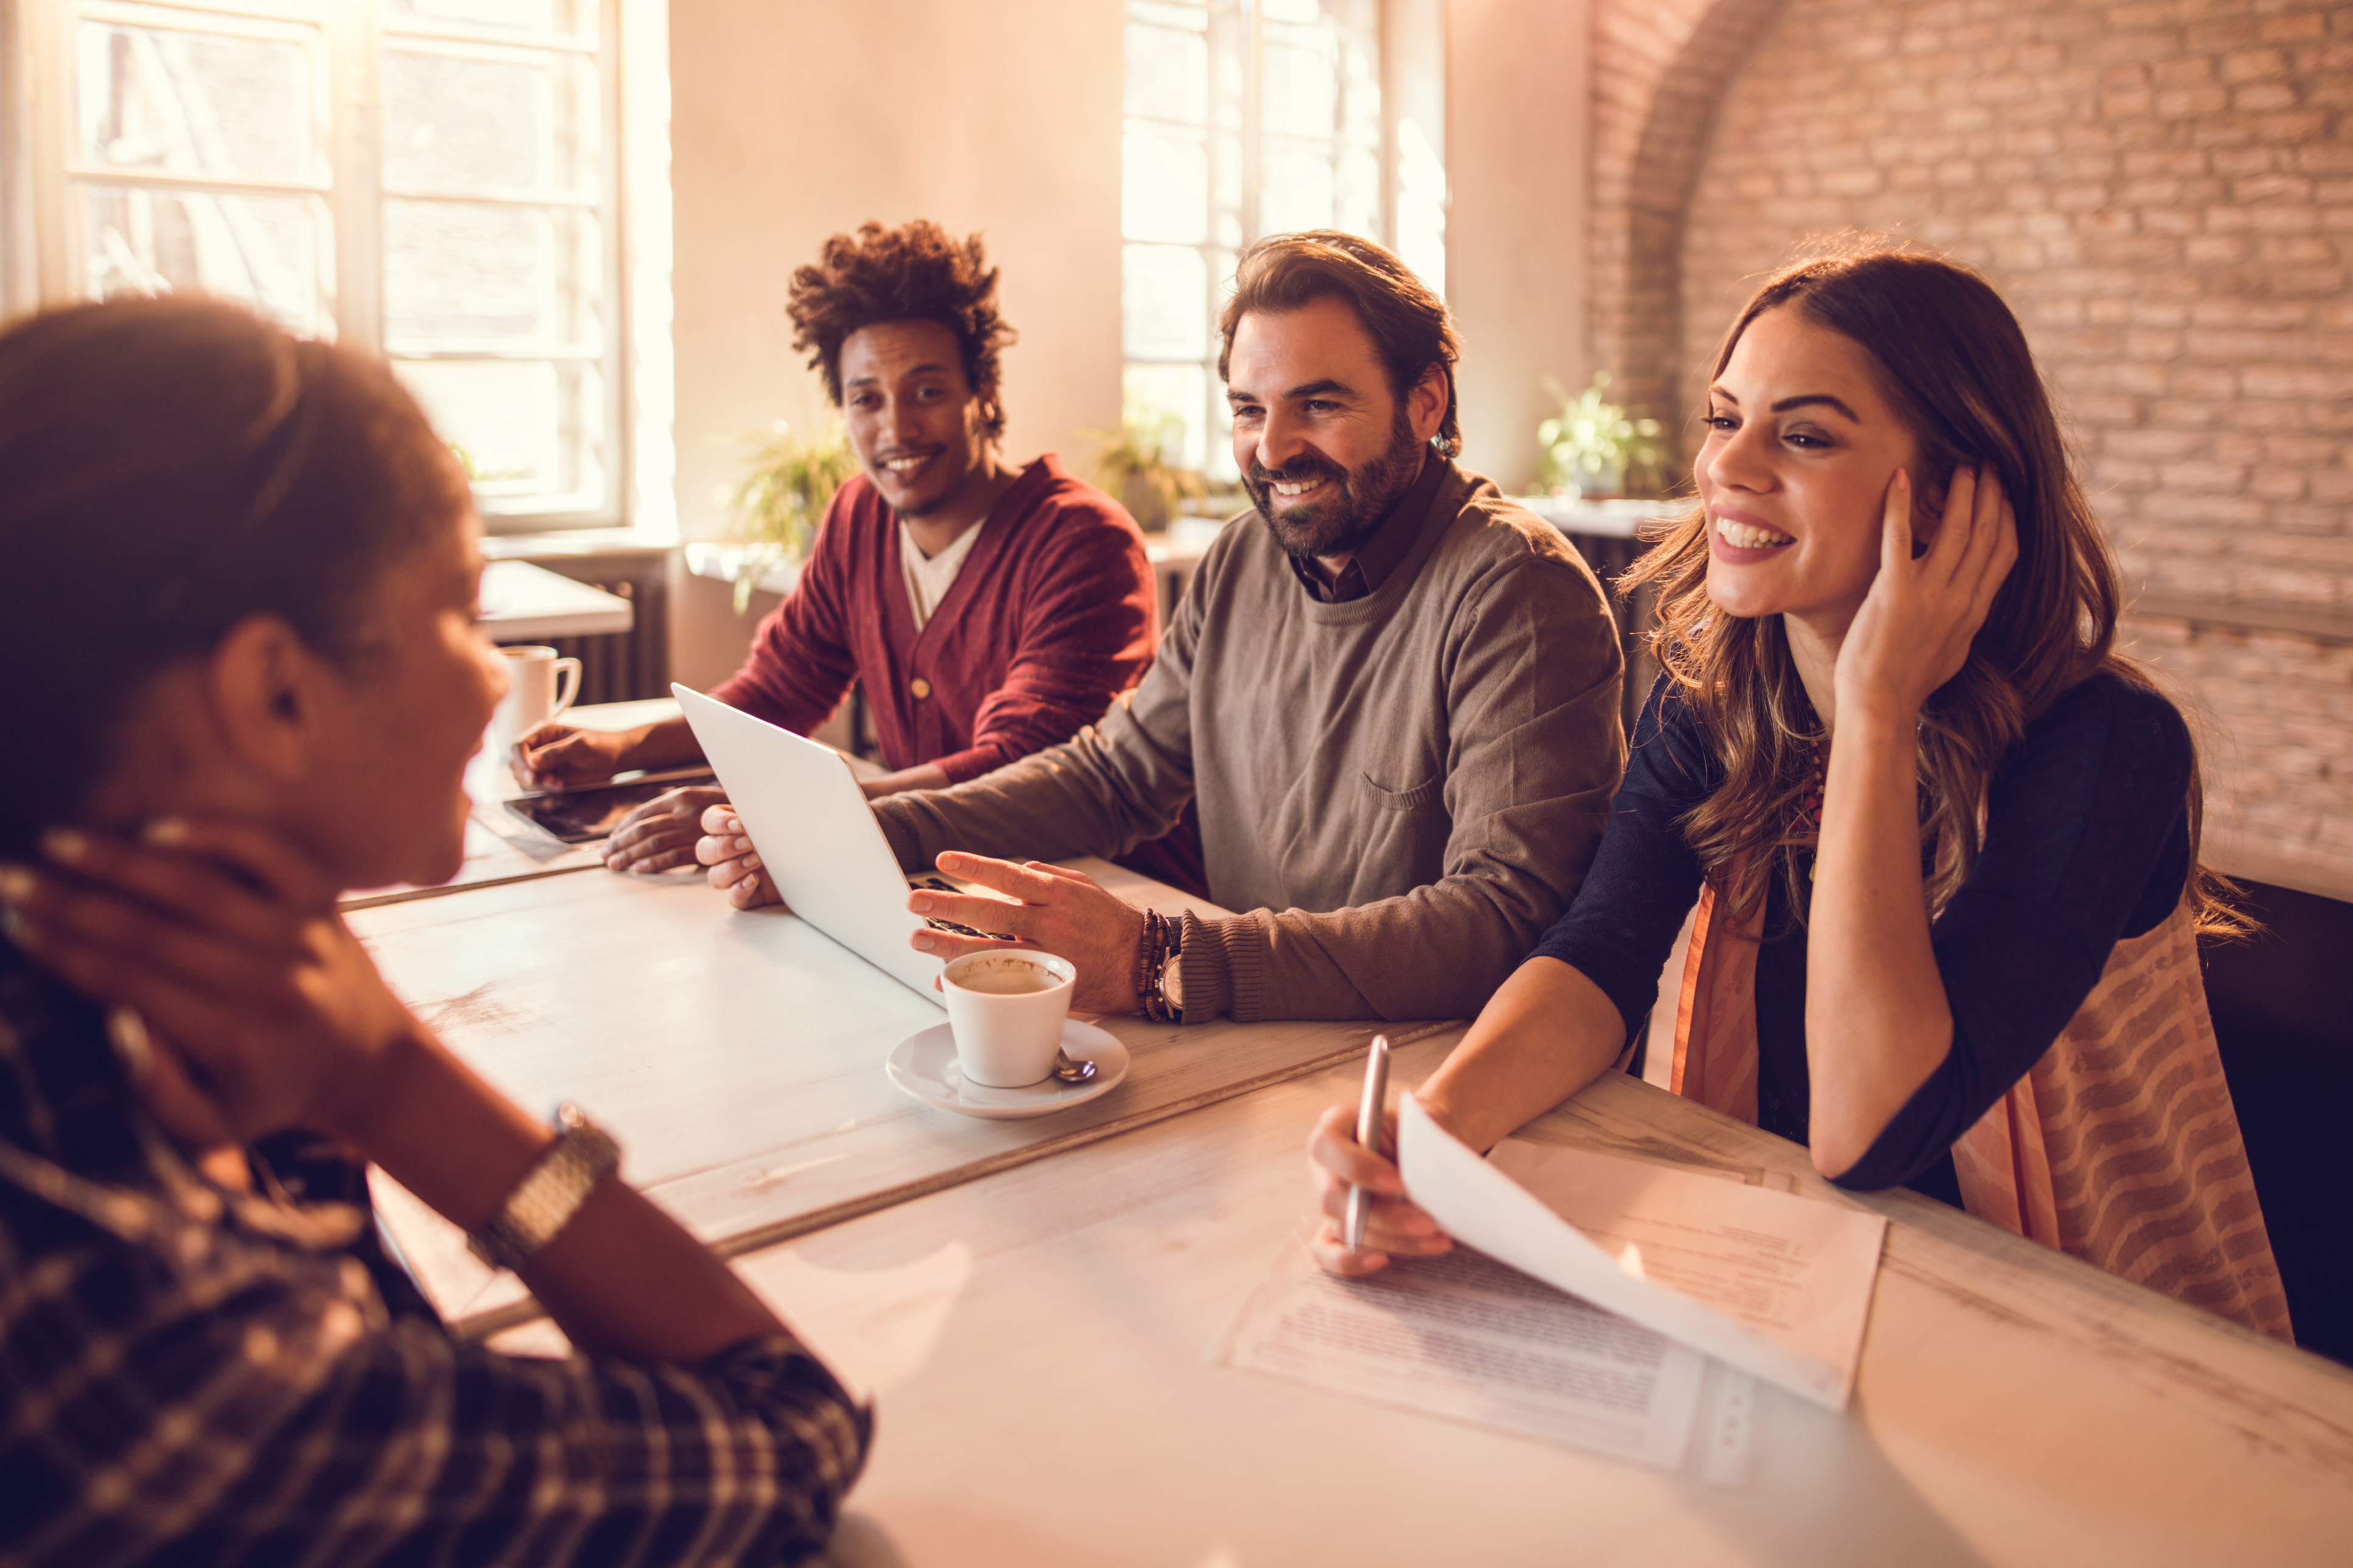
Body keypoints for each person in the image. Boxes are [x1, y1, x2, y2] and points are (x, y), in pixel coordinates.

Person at [0, 298, 868, 1562]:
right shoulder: (156, 1367)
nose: (483, 677)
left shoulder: (152, 1023)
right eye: (460, 614)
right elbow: (786, 1433)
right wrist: (394, 1081)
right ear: (275, 694)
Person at [1305, 248, 2292, 1340]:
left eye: (1806, 434)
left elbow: (1874, 1131)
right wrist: (1432, 1131)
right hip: (1802, 1286)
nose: (1731, 466)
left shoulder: (2106, 743)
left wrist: (1877, 706)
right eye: (1725, 418)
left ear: (1963, 487)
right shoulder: (1713, 706)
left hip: (2077, 1325)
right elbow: (1601, 954)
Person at [698, 232, 1626, 1025]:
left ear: (1425, 403)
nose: (1273, 450)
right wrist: (860, 835)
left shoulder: (1519, 590)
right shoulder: (1241, 561)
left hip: (1430, 1079)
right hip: (1258, 1043)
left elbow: (1501, 921)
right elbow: (1110, 777)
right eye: (1249, 409)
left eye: (1321, 403)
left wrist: (1163, 959)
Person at [517, 219, 1186, 900]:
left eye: (927, 391)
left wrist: (787, 821)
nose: (895, 428)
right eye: (866, 398)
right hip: (926, 871)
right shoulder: (857, 516)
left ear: (981, 391)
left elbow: (1020, 768)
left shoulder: (1083, 541)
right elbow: (777, 692)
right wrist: (620, 751)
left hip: (1103, 893)